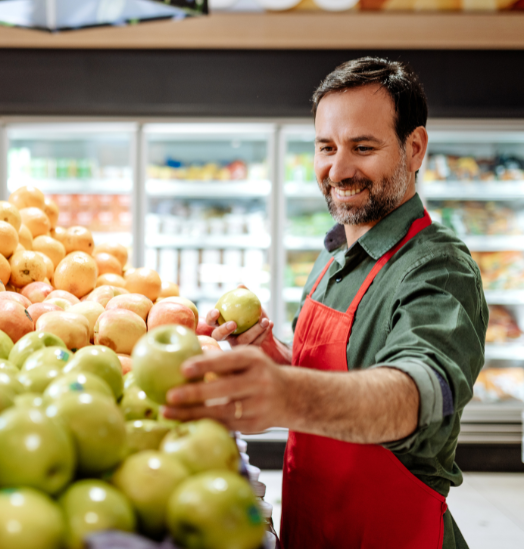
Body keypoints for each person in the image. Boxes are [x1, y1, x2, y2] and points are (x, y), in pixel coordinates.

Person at [162, 57, 487, 548]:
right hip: (311, 526)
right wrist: (275, 359)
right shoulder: (333, 254)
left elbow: (416, 397)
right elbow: (339, 387)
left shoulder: (438, 267)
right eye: (326, 147)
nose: (338, 169)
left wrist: (290, 392)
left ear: (414, 148)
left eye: (362, 147)